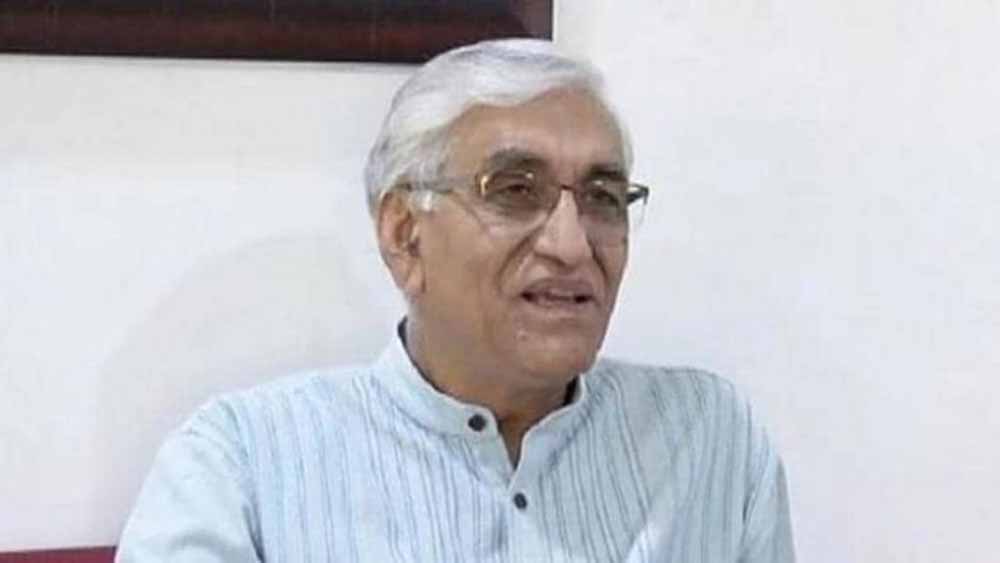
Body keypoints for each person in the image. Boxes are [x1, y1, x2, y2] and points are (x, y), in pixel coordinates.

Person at [116, 39, 795, 562]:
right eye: (515, 190)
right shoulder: (241, 466)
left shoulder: (709, 439)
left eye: (603, 197)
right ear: (404, 236)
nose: (571, 243)